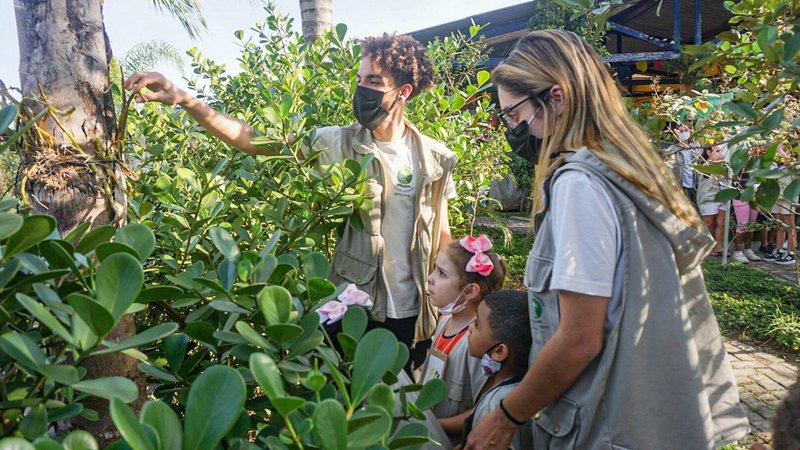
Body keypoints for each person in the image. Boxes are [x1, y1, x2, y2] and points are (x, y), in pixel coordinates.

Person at [465, 30, 749, 449]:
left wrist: (506, 417)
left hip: (608, 424)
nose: (514, 129)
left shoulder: (580, 185)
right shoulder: (625, 170)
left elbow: (580, 339)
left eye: (515, 114)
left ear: (556, 98)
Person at [125, 34, 457, 368]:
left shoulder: (435, 159)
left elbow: (442, 236)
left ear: (403, 91)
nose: (362, 90)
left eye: (374, 81)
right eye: (359, 80)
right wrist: (185, 99)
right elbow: (257, 142)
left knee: (397, 408)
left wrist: (453, 303)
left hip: (414, 315)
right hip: (353, 306)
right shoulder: (336, 142)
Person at [422, 235, 507, 441]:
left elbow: (483, 409)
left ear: (470, 291)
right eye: (434, 269)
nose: (430, 278)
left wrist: (431, 426)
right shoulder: (444, 322)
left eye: (441, 273)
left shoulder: (477, 344)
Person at [461, 290, 532, 450]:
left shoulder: (494, 408)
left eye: (477, 324)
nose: (471, 327)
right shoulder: (521, 389)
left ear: (499, 352)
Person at [697, 143, 730, 257]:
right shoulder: (706, 165)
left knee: (721, 223)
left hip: (723, 196)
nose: (720, 153)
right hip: (709, 198)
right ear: (709, 153)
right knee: (708, 223)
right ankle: (704, 248)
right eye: (717, 151)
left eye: (721, 151)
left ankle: (719, 247)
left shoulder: (725, 165)